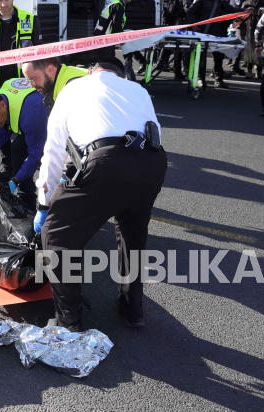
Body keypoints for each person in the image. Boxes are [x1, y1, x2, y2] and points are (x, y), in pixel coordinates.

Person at [34, 62, 167, 330]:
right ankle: (133, 311)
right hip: (152, 163)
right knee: (133, 234)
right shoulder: (138, 89)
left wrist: (43, 203)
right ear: (119, 75)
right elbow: (156, 131)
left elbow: (54, 151)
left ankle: (68, 320)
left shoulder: (74, 88)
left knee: (58, 236)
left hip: (106, 162)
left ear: (92, 71)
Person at [0, 79, 49, 209]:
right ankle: (26, 198)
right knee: (17, 150)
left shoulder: (29, 117)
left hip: (47, 116)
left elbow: (35, 154)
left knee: (52, 162)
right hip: (32, 112)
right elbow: (2, 131)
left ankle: (33, 199)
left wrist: (15, 180)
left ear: (2, 105)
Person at [185, 0, 237, 89]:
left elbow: (230, 9)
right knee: (201, 58)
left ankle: (218, 79)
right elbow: (190, 12)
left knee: (219, 57)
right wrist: (193, 26)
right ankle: (201, 79)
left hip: (217, 32)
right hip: (203, 32)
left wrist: (245, 10)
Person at [93, 0, 138, 74]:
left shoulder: (114, 1)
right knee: (108, 62)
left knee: (103, 61)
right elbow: (116, 25)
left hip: (101, 35)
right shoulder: (119, 6)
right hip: (106, 38)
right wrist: (120, 38)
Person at [21, 58, 88, 112]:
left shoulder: (73, 87)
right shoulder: (63, 78)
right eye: (29, 81)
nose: (32, 85)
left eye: (33, 79)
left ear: (50, 69)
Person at [156, 0, 186, 77]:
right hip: (168, 23)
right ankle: (161, 62)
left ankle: (162, 62)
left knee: (168, 45)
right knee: (168, 44)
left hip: (168, 23)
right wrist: (166, 24)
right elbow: (165, 12)